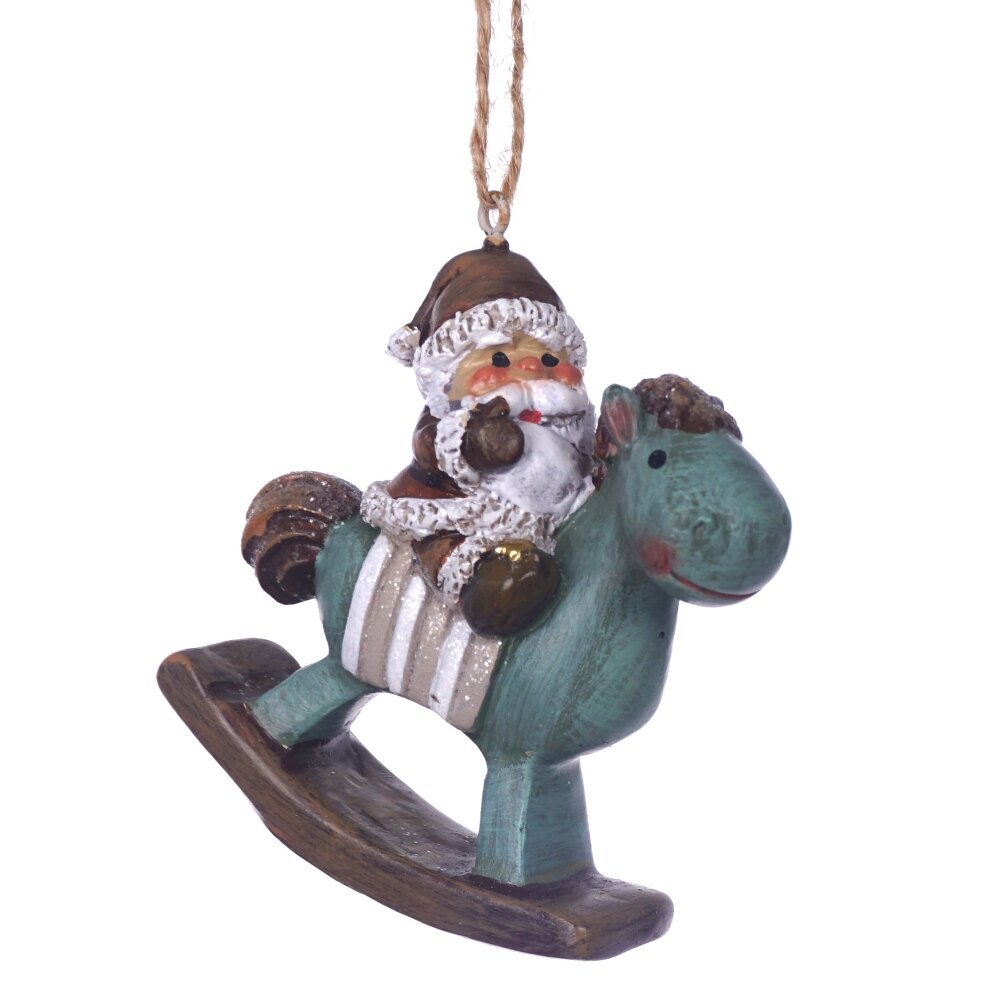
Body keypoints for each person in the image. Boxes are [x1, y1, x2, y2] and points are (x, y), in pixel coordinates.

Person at [360, 239, 595, 637]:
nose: (529, 368)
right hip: (465, 509)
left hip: (557, 513)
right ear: (450, 379)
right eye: (499, 359)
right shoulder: (452, 419)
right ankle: (482, 590)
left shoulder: (575, 418)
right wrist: (482, 442)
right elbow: (438, 449)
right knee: (446, 544)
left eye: (549, 359)